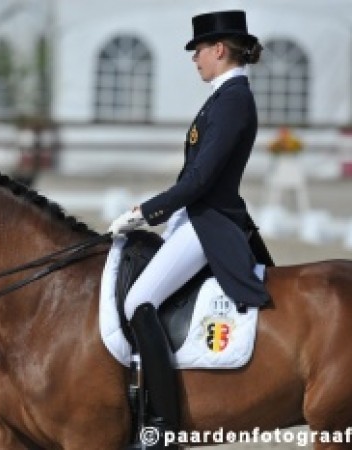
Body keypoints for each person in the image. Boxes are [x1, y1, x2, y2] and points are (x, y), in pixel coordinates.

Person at [108, 10, 274, 445]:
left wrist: (147, 210)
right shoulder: (223, 96)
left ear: (219, 50)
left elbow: (200, 180)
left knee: (139, 300)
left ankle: (161, 423)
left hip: (208, 221)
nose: (195, 58)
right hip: (193, 216)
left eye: (199, 50)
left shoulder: (234, 98)